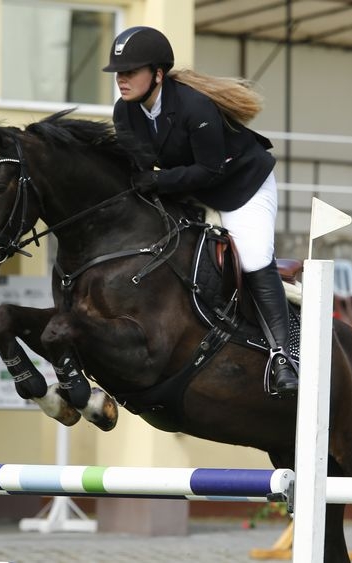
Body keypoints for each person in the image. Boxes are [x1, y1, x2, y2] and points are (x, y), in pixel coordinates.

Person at [102, 26, 298, 398]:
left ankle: (282, 356)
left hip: (240, 186)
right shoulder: (124, 113)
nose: (122, 80)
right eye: (118, 73)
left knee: (254, 258)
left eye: (130, 71)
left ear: (158, 74)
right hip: (187, 189)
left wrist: (157, 183)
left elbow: (211, 171)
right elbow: (139, 169)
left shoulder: (194, 106)